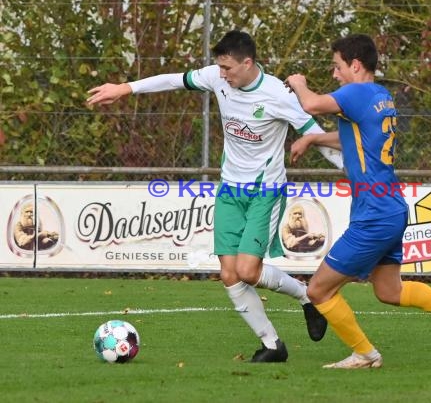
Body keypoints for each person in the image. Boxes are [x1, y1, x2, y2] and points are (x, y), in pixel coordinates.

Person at [86, 30, 343, 363]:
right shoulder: (218, 77)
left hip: (265, 192)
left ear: (248, 63)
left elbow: (317, 137)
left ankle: (307, 298)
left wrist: (354, 170)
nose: (222, 75)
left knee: (249, 271)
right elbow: (173, 80)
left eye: (228, 69)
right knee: (229, 274)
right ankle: (272, 345)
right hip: (229, 190)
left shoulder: (278, 93)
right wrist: (125, 88)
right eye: (220, 68)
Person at [285, 34, 431, 369]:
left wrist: (298, 83)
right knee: (389, 291)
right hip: (391, 206)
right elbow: (355, 136)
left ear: (355, 65)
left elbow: (311, 104)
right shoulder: (380, 96)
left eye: (337, 67)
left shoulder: (356, 92)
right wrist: (315, 137)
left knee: (318, 291)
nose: (334, 75)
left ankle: (365, 354)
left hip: (374, 213)